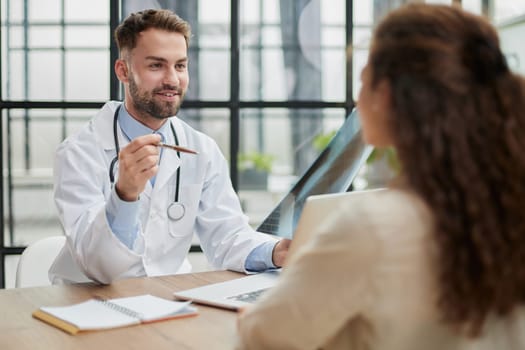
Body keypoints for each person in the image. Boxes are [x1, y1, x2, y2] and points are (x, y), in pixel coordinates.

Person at [237, 3, 525, 350]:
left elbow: (264, 338)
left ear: (385, 96)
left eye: (363, 79)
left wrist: (255, 317)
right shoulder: (508, 206)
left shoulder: (373, 228)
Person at [49, 9, 290, 284]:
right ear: (123, 71)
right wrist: (124, 194)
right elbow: (99, 267)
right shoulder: (79, 152)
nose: (172, 80)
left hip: (167, 298)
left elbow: (227, 237)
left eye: (180, 66)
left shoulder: (202, 149)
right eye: (156, 65)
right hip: (87, 302)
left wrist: (276, 252)